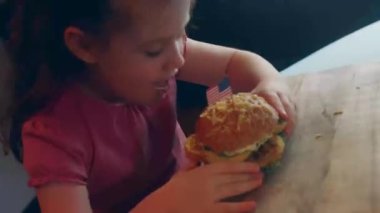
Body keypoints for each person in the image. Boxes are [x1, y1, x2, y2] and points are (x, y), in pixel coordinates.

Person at [0, 0, 296, 212]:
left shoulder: (161, 59)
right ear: (85, 46)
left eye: (182, 33)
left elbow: (237, 63)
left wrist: (269, 83)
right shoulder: (53, 138)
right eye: (154, 50)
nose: (179, 59)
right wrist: (163, 206)